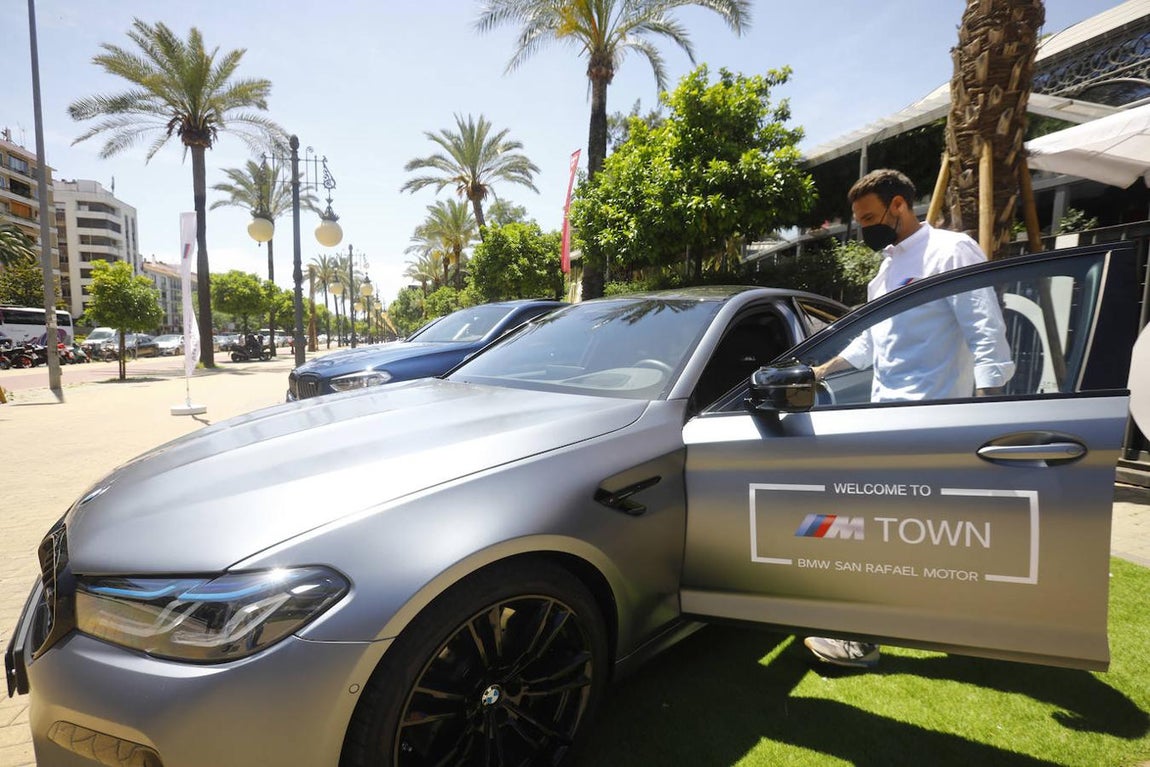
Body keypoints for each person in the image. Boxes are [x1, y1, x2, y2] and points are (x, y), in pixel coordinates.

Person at [804, 168, 1015, 669]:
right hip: (887, 419)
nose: (866, 229)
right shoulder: (886, 271)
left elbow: (986, 332)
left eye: (871, 218)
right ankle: (957, 624)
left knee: (880, 531)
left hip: (934, 421)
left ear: (900, 205)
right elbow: (872, 343)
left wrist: (985, 416)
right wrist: (818, 371)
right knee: (909, 532)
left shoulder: (950, 251)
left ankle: (863, 639)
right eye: (860, 221)